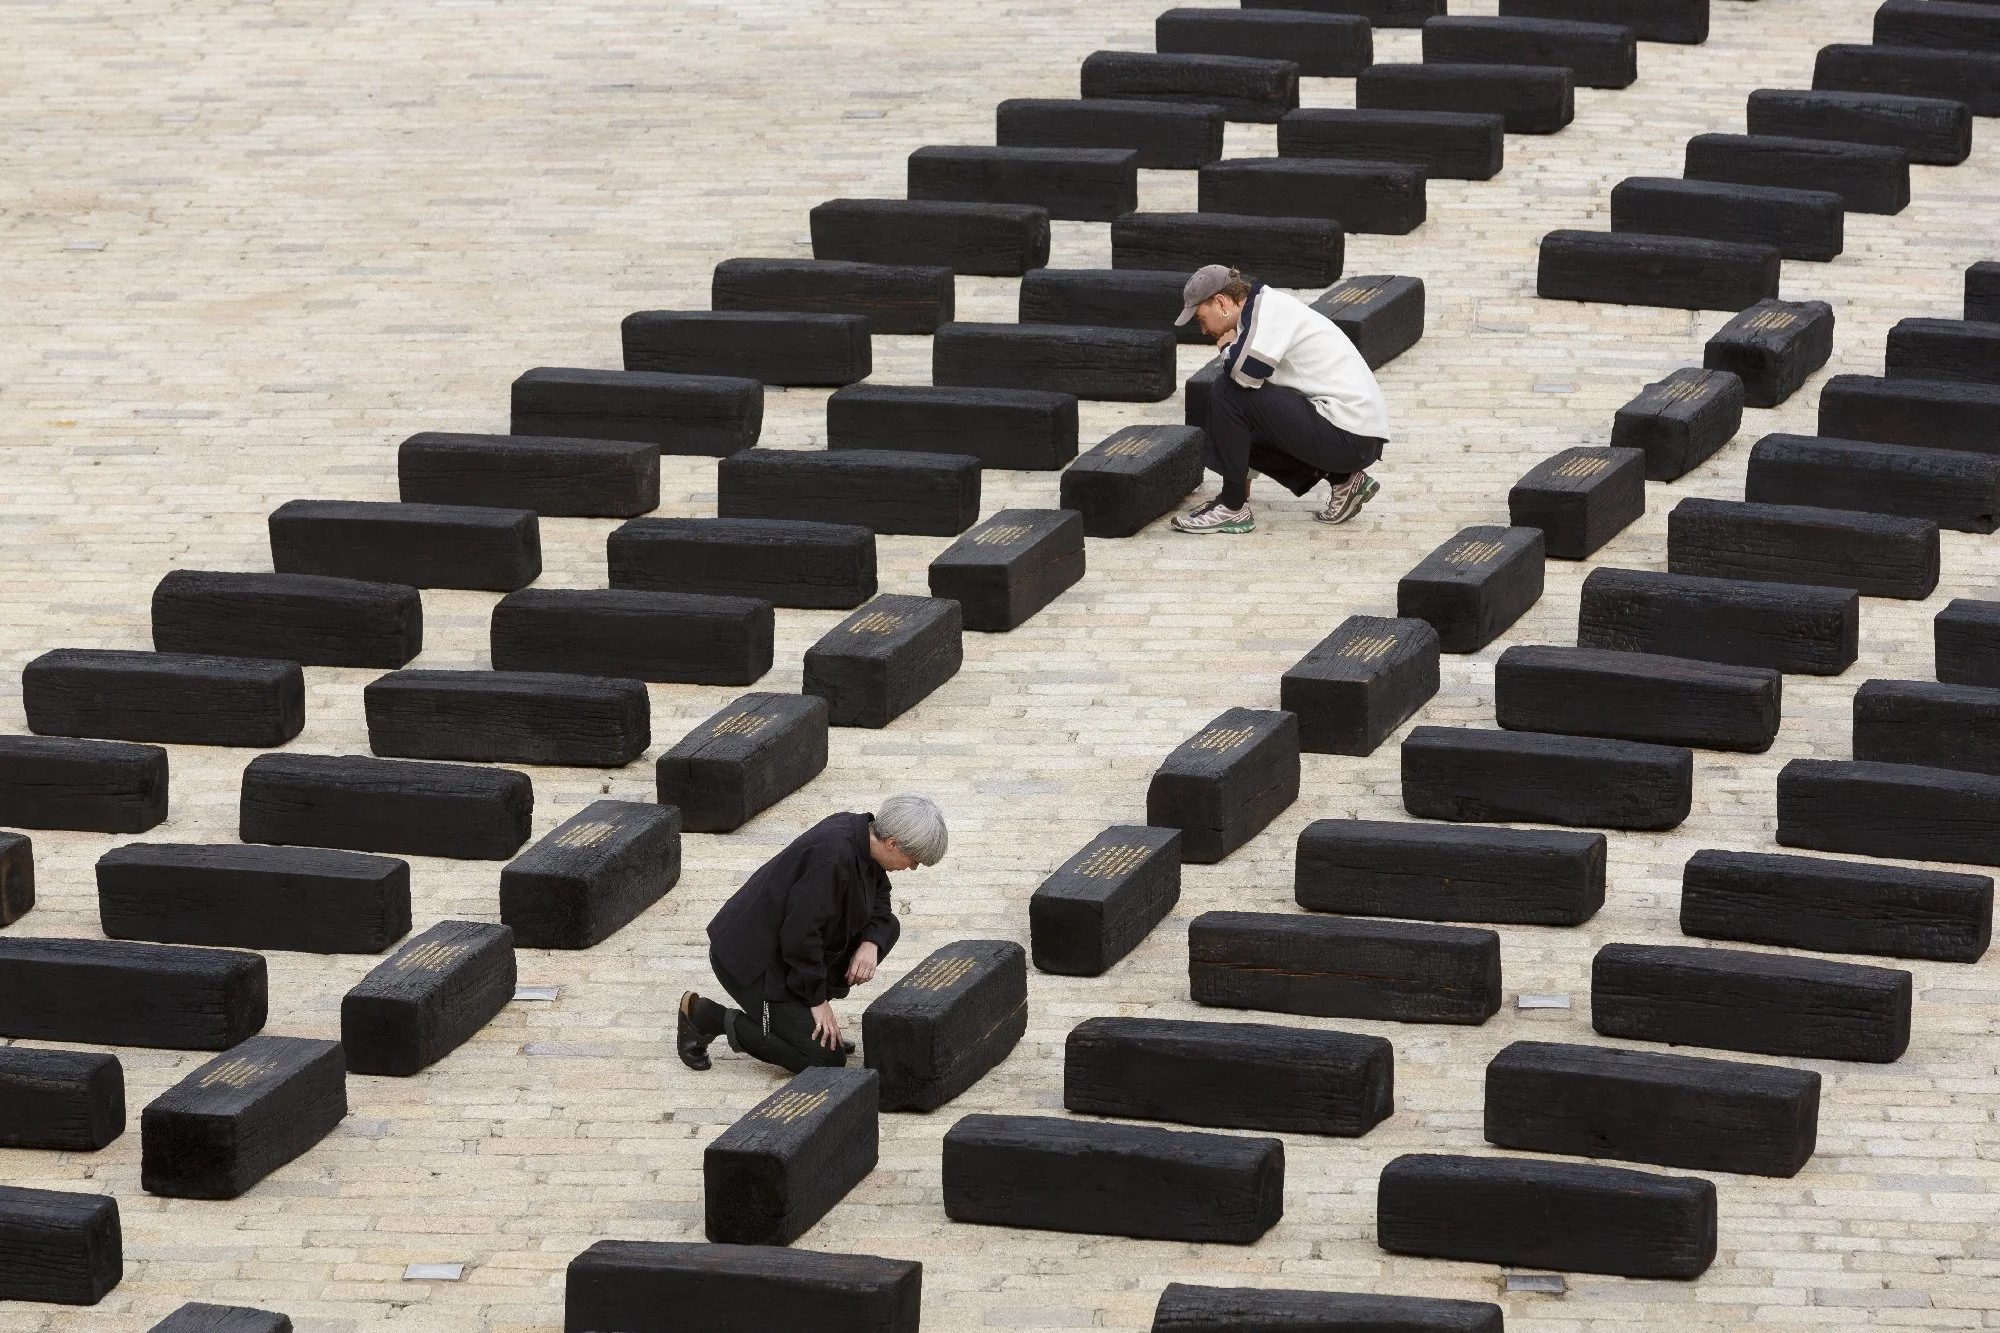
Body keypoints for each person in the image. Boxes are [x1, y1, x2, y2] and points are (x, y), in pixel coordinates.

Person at [677, 794, 948, 1073]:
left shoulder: (863, 839)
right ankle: (707, 1017)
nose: (912, 868)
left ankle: (802, 1022)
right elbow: (800, 937)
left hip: (789, 953)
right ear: (892, 843)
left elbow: (880, 898)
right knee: (823, 1060)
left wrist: (870, 943)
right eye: (914, 860)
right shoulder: (833, 857)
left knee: (885, 928)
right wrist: (817, 1002)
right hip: (752, 962)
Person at [1170, 264, 1391, 535]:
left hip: (1351, 436)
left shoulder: (1266, 310)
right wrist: (1242, 475)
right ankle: (1344, 480)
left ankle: (1231, 507)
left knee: (1227, 389)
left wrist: (1226, 348)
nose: (1203, 330)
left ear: (1221, 302)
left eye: (1201, 319)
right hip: (1353, 434)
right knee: (1239, 396)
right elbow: (1254, 411)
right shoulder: (1260, 311)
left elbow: (1244, 376)